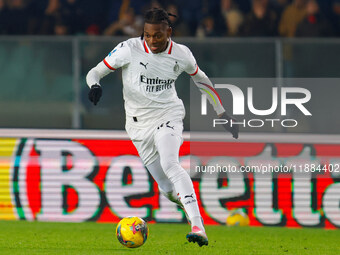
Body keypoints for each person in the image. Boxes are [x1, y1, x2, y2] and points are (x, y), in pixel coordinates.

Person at [86, 8, 239, 247]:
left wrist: (222, 112)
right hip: (137, 127)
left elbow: (202, 81)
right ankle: (191, 204)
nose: (152, 40)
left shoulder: (181, 54)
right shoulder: (129, 49)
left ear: (168, 32)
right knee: (167, 189)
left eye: (157, 35)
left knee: (171, 163)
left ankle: (198, 226)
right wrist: (94, 85)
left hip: (168, 115)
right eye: (147, 35)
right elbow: (95, 71)